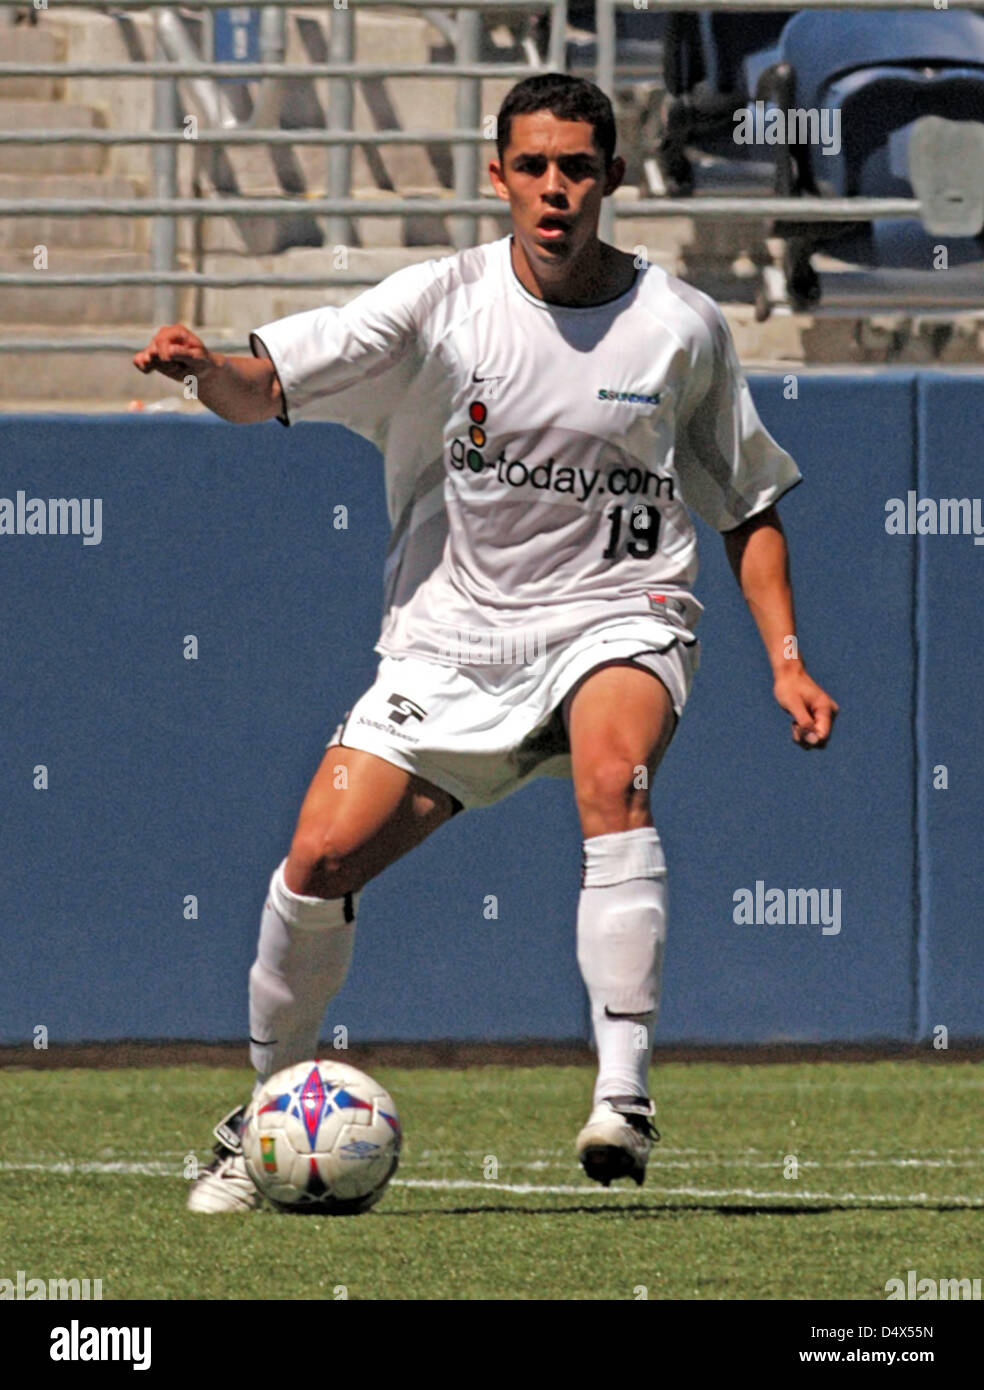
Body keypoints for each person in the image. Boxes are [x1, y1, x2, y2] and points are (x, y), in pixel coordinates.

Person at [134, 72, 838, 1213]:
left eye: (577, 167)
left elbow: (749, 505)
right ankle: (264, 1121)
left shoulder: (681, 327)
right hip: (452, 645)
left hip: (621, 615)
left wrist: (788, 657)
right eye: (533, 166)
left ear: (611, 178)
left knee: (616, 773)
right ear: (497, 174)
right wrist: (208, 369)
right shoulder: (438, 304)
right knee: (315, 863)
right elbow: (269, 386)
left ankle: (624, 1095)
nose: (555, 188)